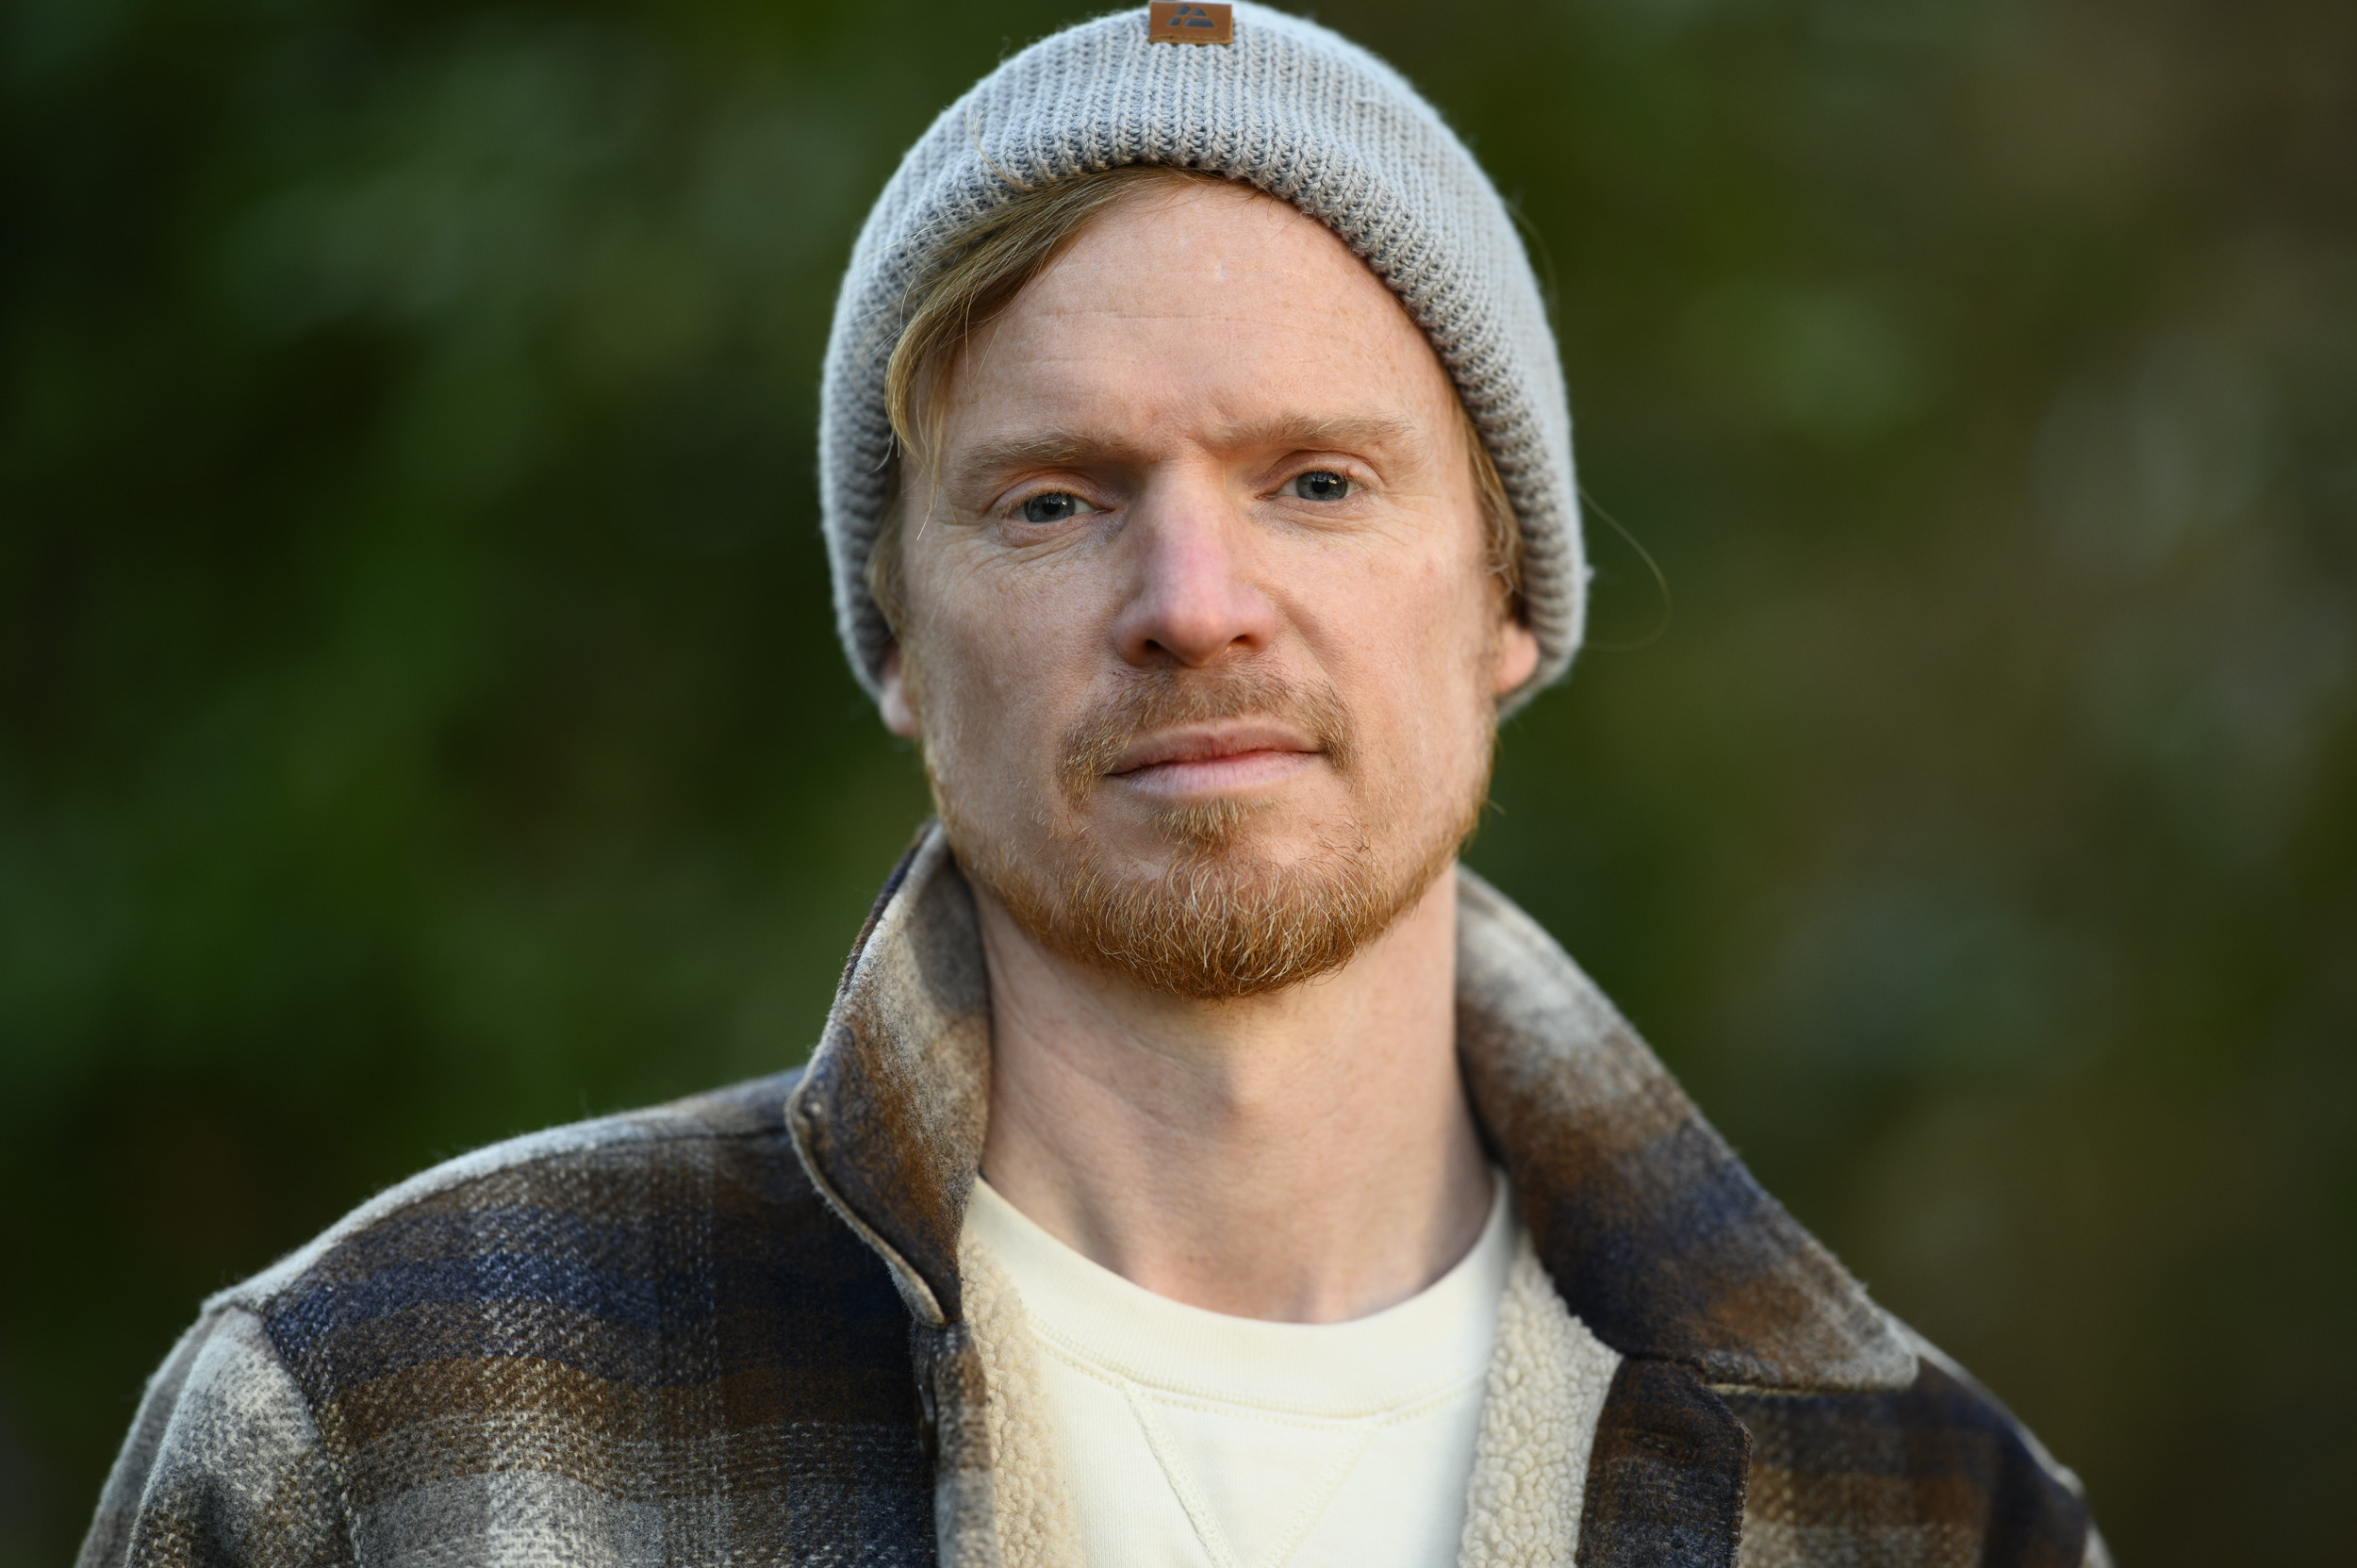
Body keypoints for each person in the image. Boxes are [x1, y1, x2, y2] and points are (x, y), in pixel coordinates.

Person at [80, 7, 2105, 1565]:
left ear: (1504, 600)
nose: (1193, 604)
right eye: (1054, 501)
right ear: (894, 640)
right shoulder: (393, 1421)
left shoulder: (1923, 1508)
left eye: (1313, 480)